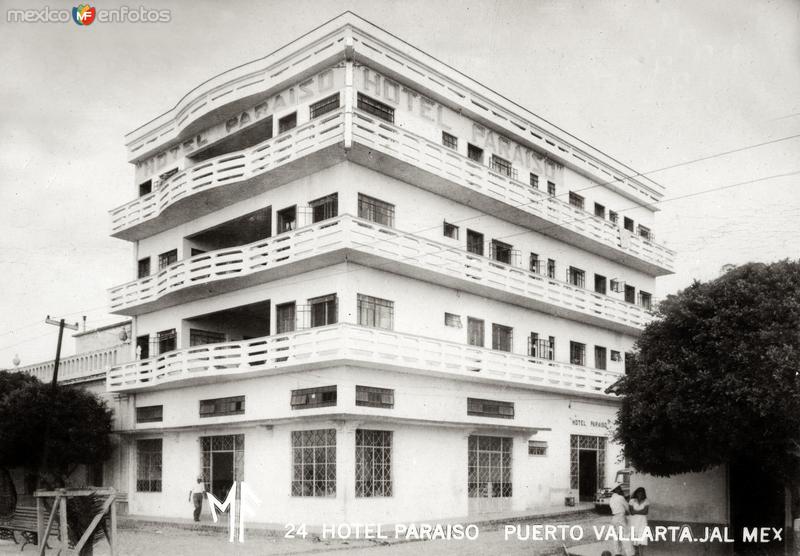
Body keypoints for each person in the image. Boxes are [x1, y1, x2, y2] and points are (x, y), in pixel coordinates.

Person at [609, 483, 634, 556]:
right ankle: (630, 553)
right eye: (619, 488)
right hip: (620, 517)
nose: (620, 489)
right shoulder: (620, 497)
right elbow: (627, 508)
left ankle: (617, 552)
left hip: (614, 518)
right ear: (616, 490)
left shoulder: (611, 499)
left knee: (616, 536)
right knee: (625, 535)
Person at [629, 487, 650, 555]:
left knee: (642, 537)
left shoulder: (646, 500)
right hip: (634, 521)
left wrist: (636, 511)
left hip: (642, 522)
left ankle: (641, 553)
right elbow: (631, 512)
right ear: (636, 493)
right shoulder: (632, 501)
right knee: (634, 536)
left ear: (643, 494)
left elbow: (646, 512)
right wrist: (641, 511)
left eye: (641, 493)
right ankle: (636, 552)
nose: (640, 494)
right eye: (638, 492)